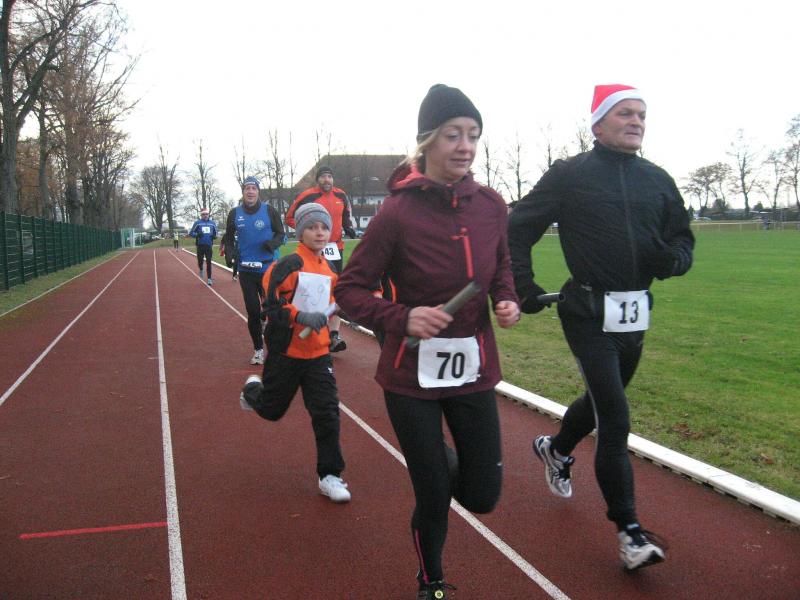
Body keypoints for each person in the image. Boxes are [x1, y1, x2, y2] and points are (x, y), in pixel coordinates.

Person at [335, 84, 520, 599]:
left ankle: (440, 461)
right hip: (410, 374)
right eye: (453, 135)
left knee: (482, 495)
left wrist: (506, 299)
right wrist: (403, 317)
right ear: (427, 141)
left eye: (473, 135)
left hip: (473, 370)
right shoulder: (397, 212)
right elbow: (349, 290)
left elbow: (502, 264)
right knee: (434, 492)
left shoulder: (491, 206)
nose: (466, 146)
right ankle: (431, 580)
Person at [507, 84, 695, 572]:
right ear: (597, 124)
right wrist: (523, 286)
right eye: (625, 113)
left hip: (635, 315)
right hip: (587, 312)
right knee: (615, 418)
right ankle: (630, 533)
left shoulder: (658, 180)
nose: (636, 121)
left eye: (642, 114)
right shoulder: (570, 175)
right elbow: (517, 228)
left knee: (598, 402)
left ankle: (556, 449)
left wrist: (672, 260)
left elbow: (683, 241)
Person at [240, 202, 351, 504]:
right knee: (272, 411)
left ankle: (330, 475)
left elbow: (336, 304)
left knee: (327, 412)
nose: (320, 232)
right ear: (300, 232)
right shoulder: (286, 266)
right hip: (286, 352)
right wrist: (300, 316)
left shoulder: (329, 269)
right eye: (312, 227)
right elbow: (270, 307)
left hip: (318, 355)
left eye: (324, 227)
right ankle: (252, 390)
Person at [286, 165, 357, 353]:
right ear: (318, 179)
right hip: (314, 250)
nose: (327, 180)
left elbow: (346, 215)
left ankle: (334, 335)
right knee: (316, 291)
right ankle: (309, 328)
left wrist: (348, 227)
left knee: (336, 290)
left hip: (336, 248)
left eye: (329, 176)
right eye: (323, 176)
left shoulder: (341, 195)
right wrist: (306, 232)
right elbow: (290, 217)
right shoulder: (307, 196)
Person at [224, 176, 284, 365]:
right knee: (252, 311)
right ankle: (258, 350)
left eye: (253, 188)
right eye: (247, 188)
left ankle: (275, 347)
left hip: (267, 269)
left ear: (258, 192)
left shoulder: (269, 211)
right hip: (246, 270)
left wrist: (272, 244)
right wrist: (230, 254)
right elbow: (228, 237)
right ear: (243, 192)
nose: (250, 191)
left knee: (272, 310)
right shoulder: (235, 213)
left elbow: (281, 234)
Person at [189, 208, 217, 285]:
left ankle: (209, 278)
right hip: (200, 245)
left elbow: (216, 233)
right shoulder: (197, 223)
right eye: (203, 214)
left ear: (208, 215)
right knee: (200, 260)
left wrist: (214, 236)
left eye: (206, 214)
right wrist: (197, 235)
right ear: (201, 215)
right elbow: (191, 233)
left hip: (209, 246)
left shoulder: (212, 223)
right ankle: (201, 268)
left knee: (209, 261)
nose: (205, 215)